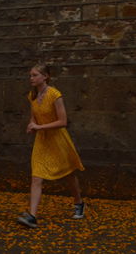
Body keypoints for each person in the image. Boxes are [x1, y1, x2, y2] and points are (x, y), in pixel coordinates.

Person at [17, 63, 85, 228]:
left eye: (34, 75)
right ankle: (32, 216)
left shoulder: (55, 95)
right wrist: (32, 125)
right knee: (36, 176)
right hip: (42, 141)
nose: (31, 78)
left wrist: (39, 127)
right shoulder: (32, 96)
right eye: (30, 75)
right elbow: (34, 116)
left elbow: (63, 121)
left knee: (68, 173)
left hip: (58, 140)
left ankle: (79, 202)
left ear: (45, 76)